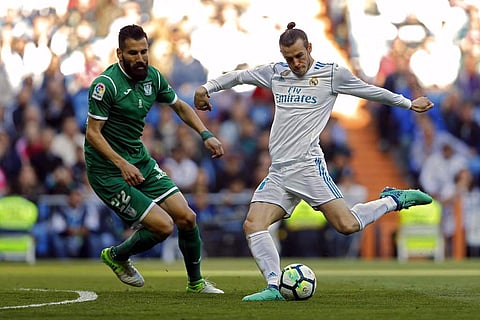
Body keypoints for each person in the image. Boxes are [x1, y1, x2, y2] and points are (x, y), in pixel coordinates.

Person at [194, 22, 434, 301]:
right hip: (279, 171)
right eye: (289, 58)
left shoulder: (331, 75)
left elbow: (370, 91)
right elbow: (240, 77)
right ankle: (274, 285)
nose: (295, 63)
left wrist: (408, 103)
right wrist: (207, 88)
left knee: (347, 226)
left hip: (308, 167)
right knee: (253, 225)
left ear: (309, 48)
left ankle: (394, 199)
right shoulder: (276, 73)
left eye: (299, 55)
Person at [84, 24, 224, 293]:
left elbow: (180, 106)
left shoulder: (153, 78)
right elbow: (93, 134)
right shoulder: (106, 84)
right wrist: (121, 164)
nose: (140, 58)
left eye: (144, 51)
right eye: (133, 53)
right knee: (162, 226)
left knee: (187, 217)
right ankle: (117, 256)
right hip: (108, 171)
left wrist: (205, 134)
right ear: (119, 54)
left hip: (139, 161)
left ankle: (196, 283)